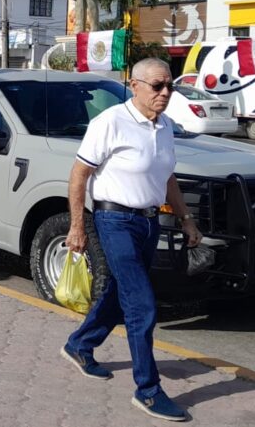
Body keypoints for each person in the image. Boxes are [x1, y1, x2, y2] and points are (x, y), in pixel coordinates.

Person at [61, 57, 202, 422]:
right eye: (158, 86)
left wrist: (187, 220)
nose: (166, 93)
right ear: (135, 85)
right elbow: (79, 175)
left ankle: (80, 344)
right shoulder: (110, 122)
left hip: (149, 222)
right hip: (114, 220)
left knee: (118, 294)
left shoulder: (165, 126)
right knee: (142, 304)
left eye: (169, 85)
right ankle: (148, 390)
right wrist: (77, 227)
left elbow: (168, 179)